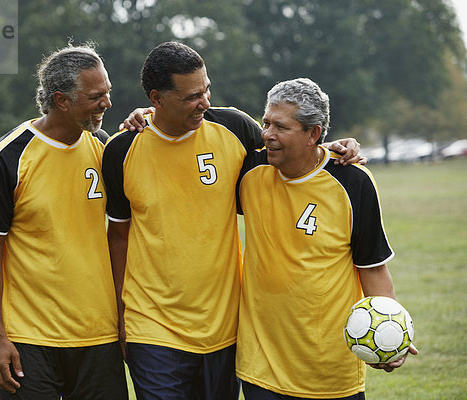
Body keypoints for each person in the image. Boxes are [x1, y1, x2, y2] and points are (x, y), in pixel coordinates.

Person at [101, 41, 361, 400]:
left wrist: (334, 148)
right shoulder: (121, 150)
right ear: (157, 99)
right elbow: (118, 235)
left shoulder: (235, 127)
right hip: (152, 327)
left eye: (206, 89)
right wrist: (121, 313)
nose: (205, 102)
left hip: (225, 327)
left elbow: (290, 152)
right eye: (192, 96)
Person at [236, 78, 418, 400]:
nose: (268, 135)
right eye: (266, 123)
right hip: (260, 369)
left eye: (281, 126)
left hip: (330, 371)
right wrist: (147, 113)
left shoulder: (352, 181)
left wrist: (392, 335)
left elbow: (372, 267)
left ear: (314, 134)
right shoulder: (250, 170)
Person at [0, 44, 128, 400]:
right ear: (61, 100)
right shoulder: (7, 156)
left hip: (98, 336)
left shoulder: (105, 148)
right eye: (96, 96)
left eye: (108, 92)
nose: (107, 103)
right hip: (30, 340)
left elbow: (122, 233)